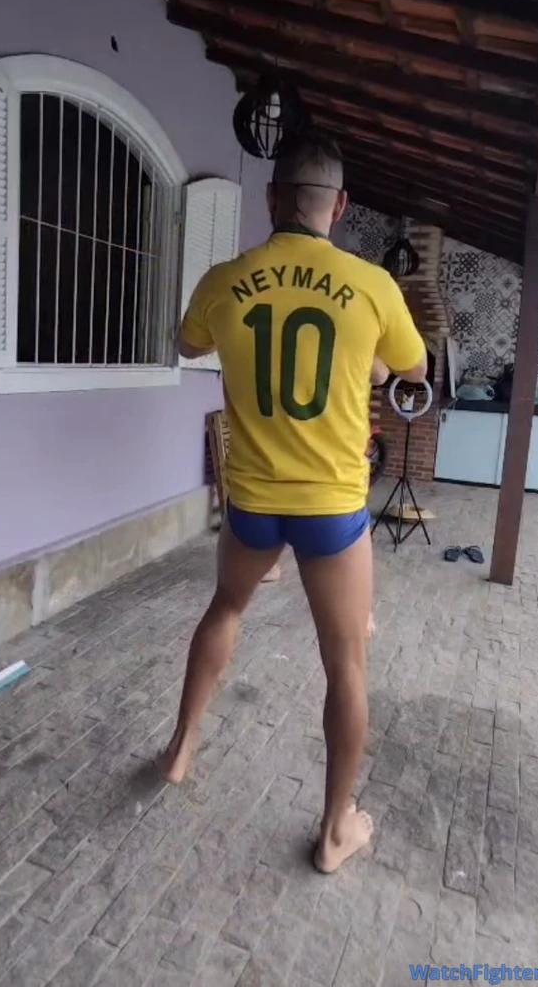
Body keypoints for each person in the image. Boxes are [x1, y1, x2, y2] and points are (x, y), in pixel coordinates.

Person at [158, 133, 427, 873]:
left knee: (225, 609)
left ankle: (180, 747)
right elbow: (412, 368)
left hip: (252, 500)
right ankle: (335, 830)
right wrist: (370, 360)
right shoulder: (373, 286)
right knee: (347, 663)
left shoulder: (225, 279)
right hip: (332, 510)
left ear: (272, 198)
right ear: (339, 207)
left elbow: (187, 345)